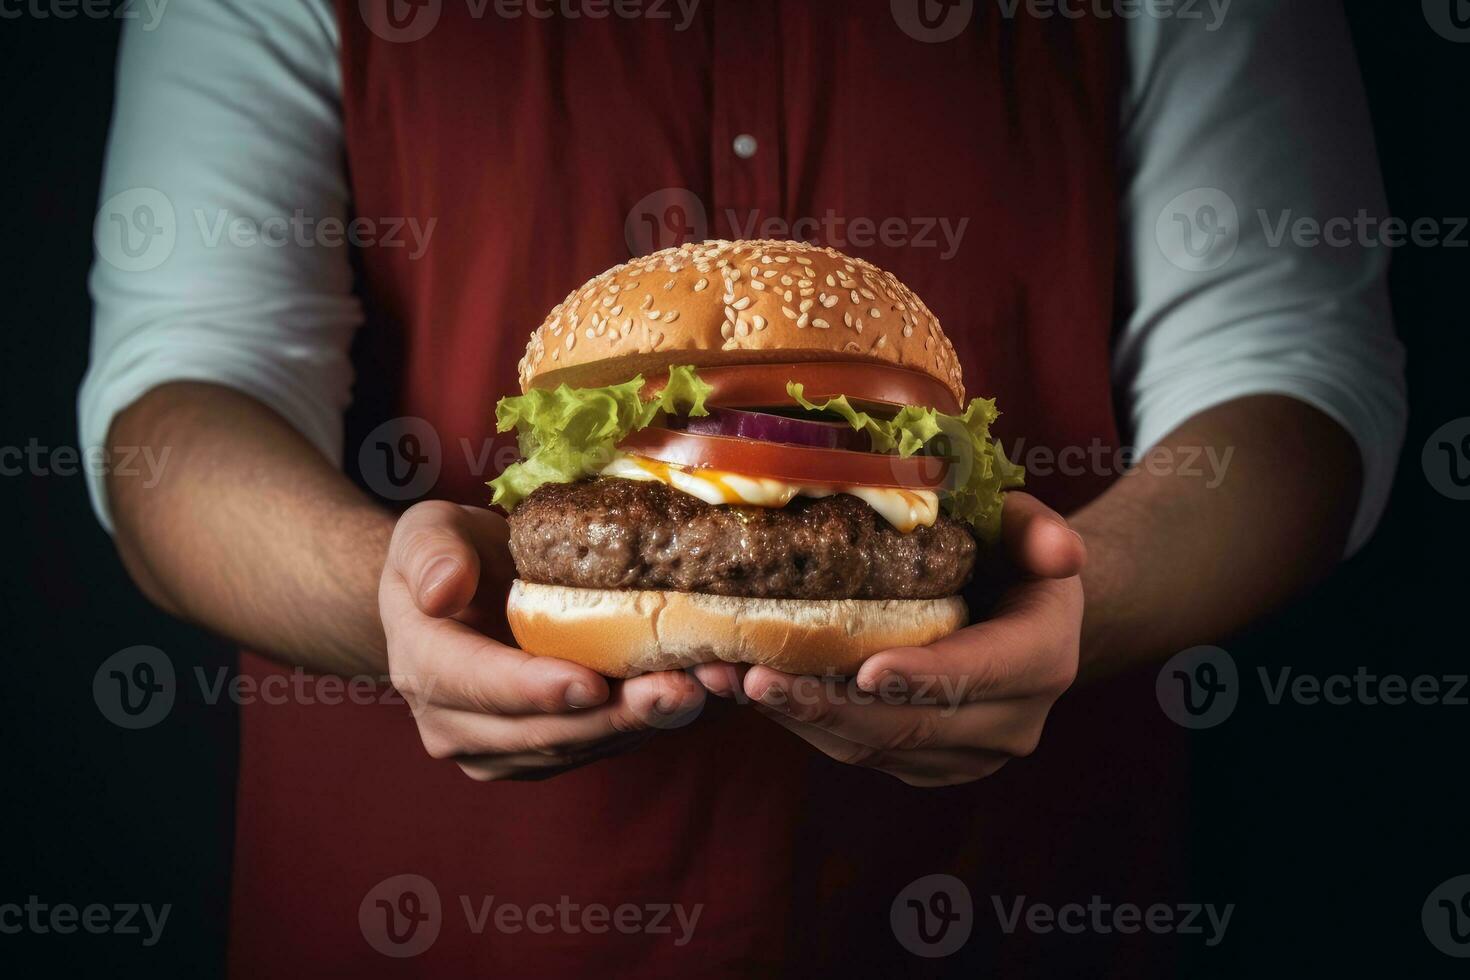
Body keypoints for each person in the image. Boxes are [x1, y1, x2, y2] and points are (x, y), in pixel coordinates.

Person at [81, 0, 1404, 975]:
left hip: (1020, 906)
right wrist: (377, 600)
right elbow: (188, 382)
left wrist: (1088, 601)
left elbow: (1290, 371)